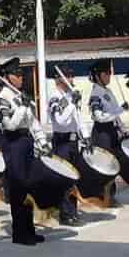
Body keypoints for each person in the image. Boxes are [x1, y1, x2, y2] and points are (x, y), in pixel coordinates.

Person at [0, 57, 46, 244]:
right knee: (18, 189)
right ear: (7, 77)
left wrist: (41, 139)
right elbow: (9, 126)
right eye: (17, 74)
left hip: (26, 142)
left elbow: (32, 121)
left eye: (21, 74)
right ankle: (20, 233)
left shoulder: (19, 95)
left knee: (28, 186)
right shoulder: (3, 99)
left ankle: (29, 229)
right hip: (12, 143)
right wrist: (22, 107)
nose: (21, 77)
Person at [47, 65, 87, 226]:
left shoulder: (71, 95)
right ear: (59, 79)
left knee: (74, 178)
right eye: (68, 76)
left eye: (72, 76)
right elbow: (61, 121)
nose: (72, 79)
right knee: (64, 178)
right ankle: (65, 214)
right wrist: (71, 103)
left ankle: (73, 211)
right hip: (62, 141)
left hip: (73, 141)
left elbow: (78, 118)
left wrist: (85, 136)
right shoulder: (54, 97)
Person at [86, 60, 124, 201]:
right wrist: (120, 110)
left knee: (112, 163)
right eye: (106, 73)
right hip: (102, 133)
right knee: (104, 165)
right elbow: (99, 117)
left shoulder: (107, 91)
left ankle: (109, 194)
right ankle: (102, 195)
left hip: (111, 130)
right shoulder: (96, 94)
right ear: (97, 76)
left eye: (109, 73)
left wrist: (121, 127)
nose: (109, 76)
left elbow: (114, 112)